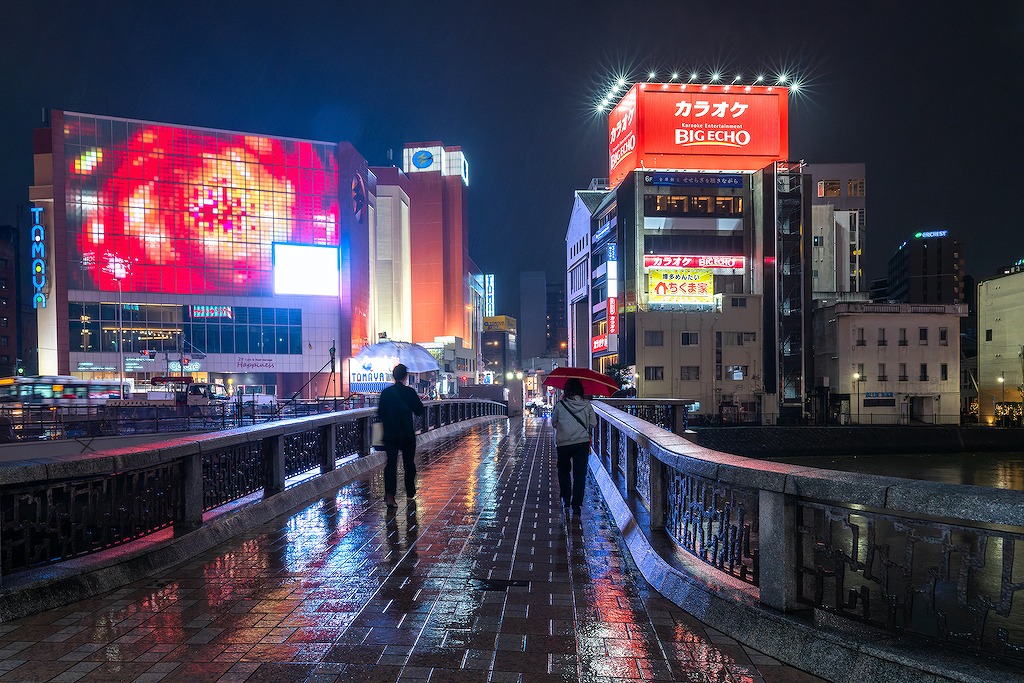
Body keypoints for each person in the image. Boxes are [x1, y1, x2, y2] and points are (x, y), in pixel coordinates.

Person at [377, 363, 425, 508]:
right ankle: (410, 490)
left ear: (393, 376)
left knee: (391, 465)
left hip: (391, 434)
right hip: (406, 433)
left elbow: (380, 413)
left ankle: (390, 496)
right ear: (405, 376)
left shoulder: (386, 393)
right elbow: (419, 411)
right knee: (408, 463)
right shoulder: (410, 392)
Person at [550, 377, 597, 517]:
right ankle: (576, 505)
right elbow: (593, 424)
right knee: (580, 474)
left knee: (563, 471)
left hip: (563, 443)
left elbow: (553, 423)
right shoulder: (587, 405)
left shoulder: (560, 405)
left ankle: (566, 499)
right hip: (581, 443)